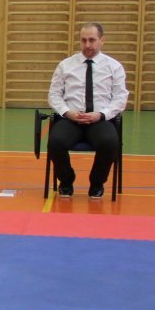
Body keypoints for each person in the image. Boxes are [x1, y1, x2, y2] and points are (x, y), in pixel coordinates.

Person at [46, 22, 129, 199]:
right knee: (55, 142)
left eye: (92, 40)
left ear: (102, 40)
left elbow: (120, 98)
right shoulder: (65, 65)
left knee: (110, 142)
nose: (87, 45)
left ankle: (97, 183)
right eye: (83, 40)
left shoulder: (114, 66)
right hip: (71, 119)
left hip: (99, 119)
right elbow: (54, 95)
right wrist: (67, 112)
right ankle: (66, 181)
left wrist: (101, 114)